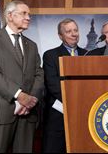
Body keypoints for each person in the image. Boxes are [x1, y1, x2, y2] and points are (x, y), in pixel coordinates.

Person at [0, 0, 44, 153]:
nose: (28, 17)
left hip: (27, 113)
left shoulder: (32, 45)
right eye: (24, 13)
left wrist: (29, 100)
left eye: (29, 14)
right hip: (0, 111)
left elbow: (39, 73)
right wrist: (19, 95)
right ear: (9, 16)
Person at [42, 18, 87, 153]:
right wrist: (75, 100)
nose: (74, 34)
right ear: (60, 36)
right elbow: (53, 85)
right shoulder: (50, 55)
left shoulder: (87, 55)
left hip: (84, 113)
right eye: (69, 31)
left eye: (75, 30)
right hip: (58, 115)